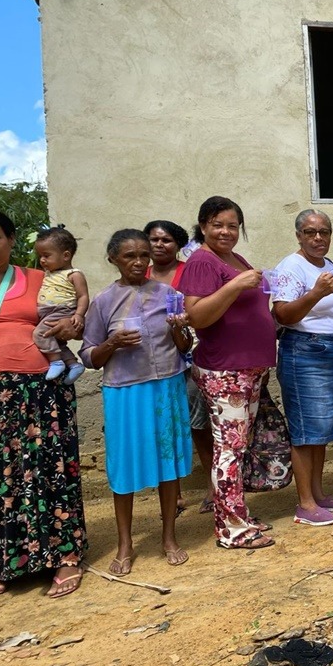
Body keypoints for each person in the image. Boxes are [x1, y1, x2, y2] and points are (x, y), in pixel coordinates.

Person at [0, 208, 86, 598]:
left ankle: (65, 556)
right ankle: (7, 562)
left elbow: (71, 315)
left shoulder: (41, 278)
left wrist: (73, 325)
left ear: (11, 239)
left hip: (42, 390)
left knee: (51, 471)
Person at [81, 229, 193, 574]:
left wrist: (178, 328)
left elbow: (185, 345)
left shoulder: (168, 293)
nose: (140, 262)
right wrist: (113, 343)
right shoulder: (103, 301)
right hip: (125, 390)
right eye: (130, 256)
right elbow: (89, 356)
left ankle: (169, 537)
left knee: (169, 462)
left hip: (167, 386)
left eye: (144, 255)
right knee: (124, 467)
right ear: (113, 259)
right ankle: (125, 543)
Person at [177, 196, 278, 549]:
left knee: (237, 447)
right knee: (229, 450)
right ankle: (232, 529)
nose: (226, 231)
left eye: (233, 225)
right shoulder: (203, 261)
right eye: (218, 224)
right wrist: (235, 285)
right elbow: (198, 316)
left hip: (247, 368)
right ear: (203, 226)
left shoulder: (232, 258)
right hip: (225, 370)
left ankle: (238, 515)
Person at [271, 209, 333, 526]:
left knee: (320, 431)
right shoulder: (291, 268)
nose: (318, 238)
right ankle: (304, 504)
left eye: (324, 232)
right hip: (305, 351)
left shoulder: (332, 266)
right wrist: (316, 292)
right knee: (305, 431)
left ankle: (317, 493)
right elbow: (283, 314)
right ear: (298, 236)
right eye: (310, 232)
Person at [145, 218, 211, 515]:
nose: (159, 245)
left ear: (179, 245)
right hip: (153, 363)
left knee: (199, 425)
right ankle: (175, 495)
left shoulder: (189, 272)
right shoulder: (139, 276)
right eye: (154, 239)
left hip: (192, 356)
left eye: (166, 240)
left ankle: (213, 487)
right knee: (164, 427)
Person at [33, 226, 89, 384]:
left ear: (66, 256)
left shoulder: (74, 274)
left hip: (61, 311)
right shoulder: (49, 273)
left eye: (46, 256)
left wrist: (78, 315)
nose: (42, 260)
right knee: (56, 341)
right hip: (48, 312)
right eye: (40, 256)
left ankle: (56, 362)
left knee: (40, 334)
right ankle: (73, 364)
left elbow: (83, 296)